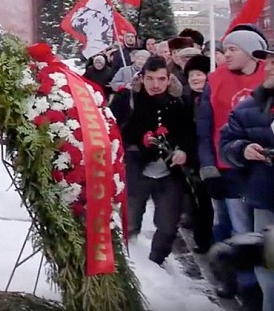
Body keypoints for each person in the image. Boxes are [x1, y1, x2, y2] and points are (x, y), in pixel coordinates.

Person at [198, 24, 268, 303]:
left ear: (251, 52)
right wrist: (208, 166)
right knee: (239, 228)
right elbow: (204, 128)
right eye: (225, 49)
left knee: (262, 233)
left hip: (263, 170)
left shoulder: (269, 76)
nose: (225, 54)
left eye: (232, 49)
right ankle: (246, 286)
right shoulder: (214, 80)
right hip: (227, 168)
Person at [111, 56, 196, 265]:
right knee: (129, 221)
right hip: (136, 169)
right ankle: (131, 265)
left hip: (169, 172)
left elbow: (190, 133)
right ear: (142, 77)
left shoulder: (180, 101)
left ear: (169, 79)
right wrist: (137, 139)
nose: (155, 85)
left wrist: (184, 151)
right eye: (150, 79)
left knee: (168, 226)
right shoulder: (128, 98)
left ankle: (156, 262)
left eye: (160, 79)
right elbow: (113, 129)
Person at [219, 46, 274, 311]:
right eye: (269, 63)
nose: (270, 68)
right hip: (265, 198)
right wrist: (242, 149)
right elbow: (226, 143)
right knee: (269, 272)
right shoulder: (249, 106)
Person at [183, 54, 214, 254]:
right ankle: (203, 240)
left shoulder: (214, 97)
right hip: (193, 158)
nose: (195, 78)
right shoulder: (185, 99)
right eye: (191, 75)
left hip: (214, 156)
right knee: (200, 202)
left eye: (199, 74)